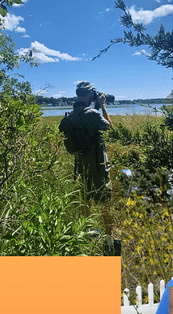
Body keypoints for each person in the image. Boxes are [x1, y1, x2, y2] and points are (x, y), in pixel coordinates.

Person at [73, 81, 113, 237]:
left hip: (82, 165)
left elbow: (89, 121)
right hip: (99, 165)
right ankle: (108, 236)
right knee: (105, 200)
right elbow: (108, 126)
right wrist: (102, 106)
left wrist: (95, 107)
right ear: (90, 94)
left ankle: (88, 233)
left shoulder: (74, 114)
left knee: (86, 199)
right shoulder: (93, 113)